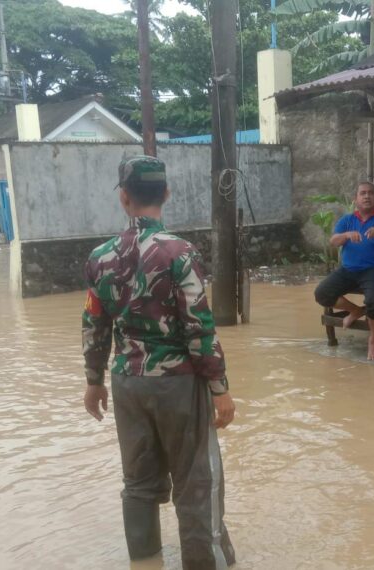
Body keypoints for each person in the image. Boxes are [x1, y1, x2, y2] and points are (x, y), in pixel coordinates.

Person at [82, 156, 236, 569]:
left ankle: (145, 560)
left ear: (124, 197)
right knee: (196, 484)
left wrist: (93, 380)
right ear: (166, 194)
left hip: (126, 383)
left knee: (139, 483)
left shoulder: (99, 257)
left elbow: (94, 322)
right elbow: (199, 329)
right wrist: (220, 388)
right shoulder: (179, 252)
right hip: (178, 385)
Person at [313, 181, 374, 361]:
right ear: (356, 199)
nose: (367, 196)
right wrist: (346, 235)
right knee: (322, 294)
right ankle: (355, 311)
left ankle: (373, 339)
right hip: (349, 270)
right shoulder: (347, 220)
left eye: (370, 193)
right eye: (363, 193)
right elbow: (333, 241)